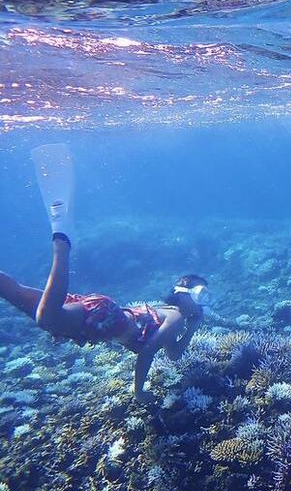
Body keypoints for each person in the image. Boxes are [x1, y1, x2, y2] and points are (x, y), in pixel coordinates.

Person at [0, 144, 211, 404]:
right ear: (183, 296)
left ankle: (61, 239)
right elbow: (147, 351)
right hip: (104, 315)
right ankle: (62, 242)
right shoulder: (176, 317)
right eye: (201, 295)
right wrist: (139, 391)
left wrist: (194, 327)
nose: (203, 302)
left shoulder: (173, 315)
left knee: (16, 293)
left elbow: (173, 353)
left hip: (103, 311)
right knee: (46, 318)